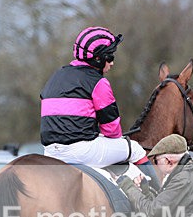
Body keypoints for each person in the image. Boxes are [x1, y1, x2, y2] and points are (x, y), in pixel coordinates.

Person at [40, 26, 152, 169]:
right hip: (81, 151)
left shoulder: (55, 76)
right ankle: (159, 191)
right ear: (98, 59)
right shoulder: (98, 82)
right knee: (134, 149)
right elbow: (112, 130)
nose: (112, 63)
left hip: (49, 152)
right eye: (110, 57)